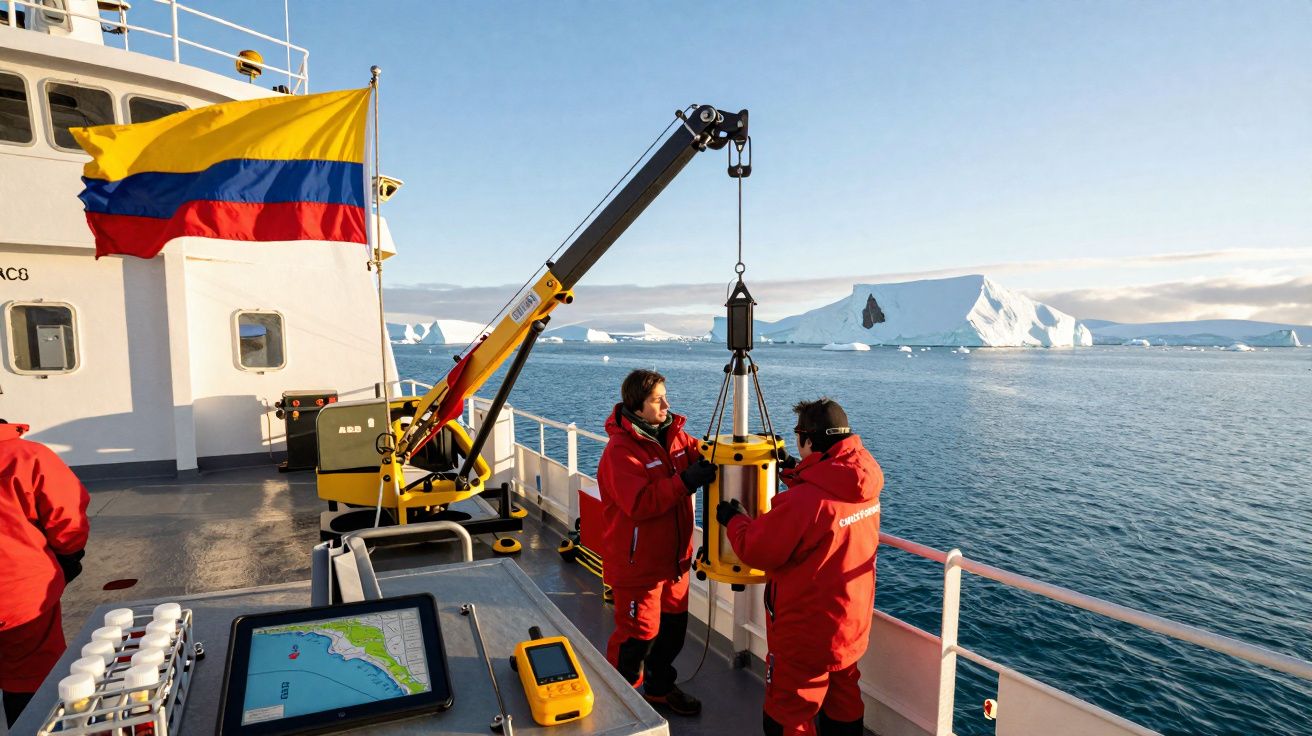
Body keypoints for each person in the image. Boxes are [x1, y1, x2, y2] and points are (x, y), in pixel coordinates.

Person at [717, 398, 883, 736]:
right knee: (844, 697)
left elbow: (756, 548)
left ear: (808, 439)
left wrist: (734, 521)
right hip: (849, 624)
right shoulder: (864, 481)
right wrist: (795, 469)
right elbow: (825, 501)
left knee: (787, 713)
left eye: (798, 436)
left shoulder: (803, 503)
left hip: (805, 633)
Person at [596, 369, 716, 716]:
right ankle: (624, 704)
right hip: (640, 567)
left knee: (673, 633)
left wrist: (751, 452)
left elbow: (703, 453)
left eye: (665, 395)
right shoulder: (620, 451)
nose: (666, 404)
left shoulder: (675, 436)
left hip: (675, 562)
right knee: (637, 639)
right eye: (656, 399)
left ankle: (659, 690)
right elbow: (640, 502)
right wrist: (685, 482)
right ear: (636, 406)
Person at [0, 420, 90, 728]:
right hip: (21, 601)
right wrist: (67, 561)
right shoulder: (28, 457)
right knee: (31, 686)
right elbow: (68, 520)